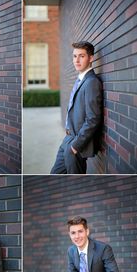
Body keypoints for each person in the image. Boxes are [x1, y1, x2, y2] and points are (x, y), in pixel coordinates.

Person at [51, 41, 103, 174]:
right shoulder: (80, 79)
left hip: (76, 144)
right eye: (75, 56)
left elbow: (93, 118)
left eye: (81, 56)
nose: (77, 60)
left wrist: (75, 146)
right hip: (68, 139)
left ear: (91, 58)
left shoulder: (92, 82)